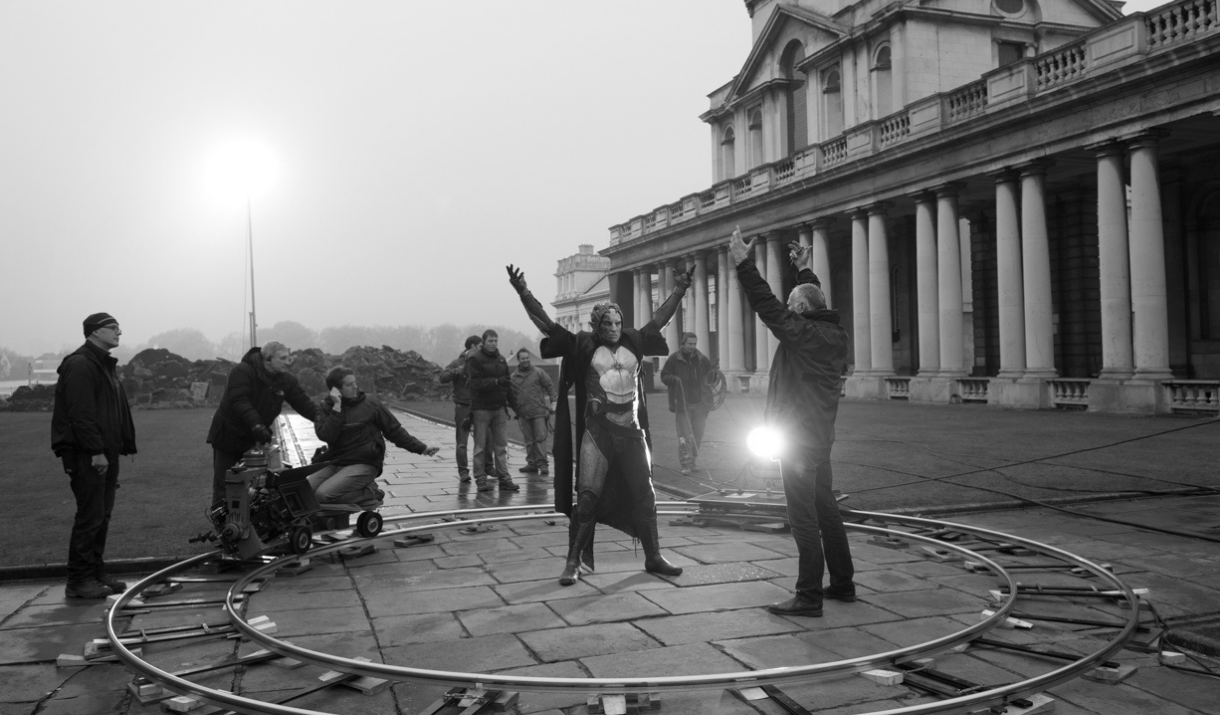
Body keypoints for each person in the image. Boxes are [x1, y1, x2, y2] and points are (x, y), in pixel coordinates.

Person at [507, 263, 689, 586]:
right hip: (599, 431)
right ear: (597, 324)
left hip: (632, 432)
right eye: (608, 322)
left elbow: (661, 319)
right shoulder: (582, 345)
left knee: (646, 495)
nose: (615, 327)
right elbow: (547, 324)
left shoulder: (634, 340)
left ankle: (653, 555)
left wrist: (679, 290)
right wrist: (523, 292)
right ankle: (573, 561)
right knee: (587, 498)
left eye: (618, 321)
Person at [730, 226, 855, 617]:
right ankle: (843, 584)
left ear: (799, 313)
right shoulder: (834, 332)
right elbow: (813, 301)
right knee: (827, 510)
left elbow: (767, 305)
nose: (787, 310)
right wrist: (804, 271)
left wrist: (744, 264)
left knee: (802, 517)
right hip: (820, 437)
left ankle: (808, 595)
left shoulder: (803, 333)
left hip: (799, 440)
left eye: (792, 305)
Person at [51, 312, 137, 599]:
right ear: (95, 332)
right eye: (113, 328)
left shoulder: (102, 365)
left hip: (106, 453)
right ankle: (78, 580)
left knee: (102, 516)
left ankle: (95, 571)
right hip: (87, 455)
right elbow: (81, 414)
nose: (119, 333)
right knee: (90, 516)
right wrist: (96, 451)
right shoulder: (80, 364)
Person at [206, 341, 320, 508]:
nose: (287, 361)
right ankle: (224, 529)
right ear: (268, 359)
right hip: (228, 436)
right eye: (282, 358)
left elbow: (304, 404)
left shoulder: (285, 380)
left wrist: (324, 418)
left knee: (258, 485)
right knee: (226, 484)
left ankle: (253, 526)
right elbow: (239, 400)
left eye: (288, 357)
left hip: (255, 439)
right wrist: (257, 425)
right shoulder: (242, 371)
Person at [308, 366, 439, 505]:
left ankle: (370, 492)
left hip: (364, 462)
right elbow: (327, 436)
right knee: (305, 491)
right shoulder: (325, 407)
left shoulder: (370, 403)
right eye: (349, 384)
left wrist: (422, 448)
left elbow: (394, 431)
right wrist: (337, 408)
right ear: (335, 390)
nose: (355, 387)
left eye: (354, 382)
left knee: (323, 495)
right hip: (336, 461)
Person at [465, 329, 519, 492]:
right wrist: (496, 382)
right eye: (490, 341)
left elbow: (507, 384)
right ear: (484, 342)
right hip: (481, 408)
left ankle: (504, 478)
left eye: (496, 341)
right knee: (480, 446)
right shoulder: (475, 359)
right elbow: (476, 384)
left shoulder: (502, 360)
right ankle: (481, 478)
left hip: (499, 408)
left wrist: (515, 406)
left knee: (501, 445)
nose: (494, 344)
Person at [439, 335, 494, 482]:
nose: (482, 348)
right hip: (463, 407)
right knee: (462, 443)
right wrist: (458, 371)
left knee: (486, 440)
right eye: (480, 345)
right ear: (473, 346)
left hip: (480, 407)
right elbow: (442, 377)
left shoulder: (482, 362)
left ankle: (486, 467)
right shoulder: (457, 362)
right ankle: (463, 471)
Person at [660, 333, 713, 476]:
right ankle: (686, 463)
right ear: (683, 344)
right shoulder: (674, 359)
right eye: (690, 344)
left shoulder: (702, 360)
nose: (693, 347)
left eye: (695, 344)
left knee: (698, 434)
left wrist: (714, 375)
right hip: (682, 403)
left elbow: (711, 376)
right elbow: (664, 376)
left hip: (700, 404)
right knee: (684, 435)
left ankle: (693, 460)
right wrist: (674, 379)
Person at [510, 348, 556, 475]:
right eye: (523, 358)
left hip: (539, 413)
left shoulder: (538, 372)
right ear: (518, 360)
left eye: (527, 358)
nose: (525, 360)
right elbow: (510, 396)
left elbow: (549, 386)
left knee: (540, 438)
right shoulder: (513, 377)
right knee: (529, 440)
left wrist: (553, 402)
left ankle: (543, 464)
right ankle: (532, 463)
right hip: (523, 414)